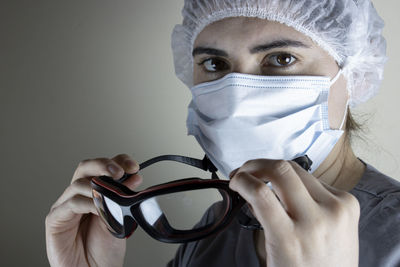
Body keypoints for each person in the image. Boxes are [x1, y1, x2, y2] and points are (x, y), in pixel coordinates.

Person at [45, 0, 400, 266]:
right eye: (214, 64)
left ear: (354, 74)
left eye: (281, 58)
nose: (236, 99)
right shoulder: (212, 230)